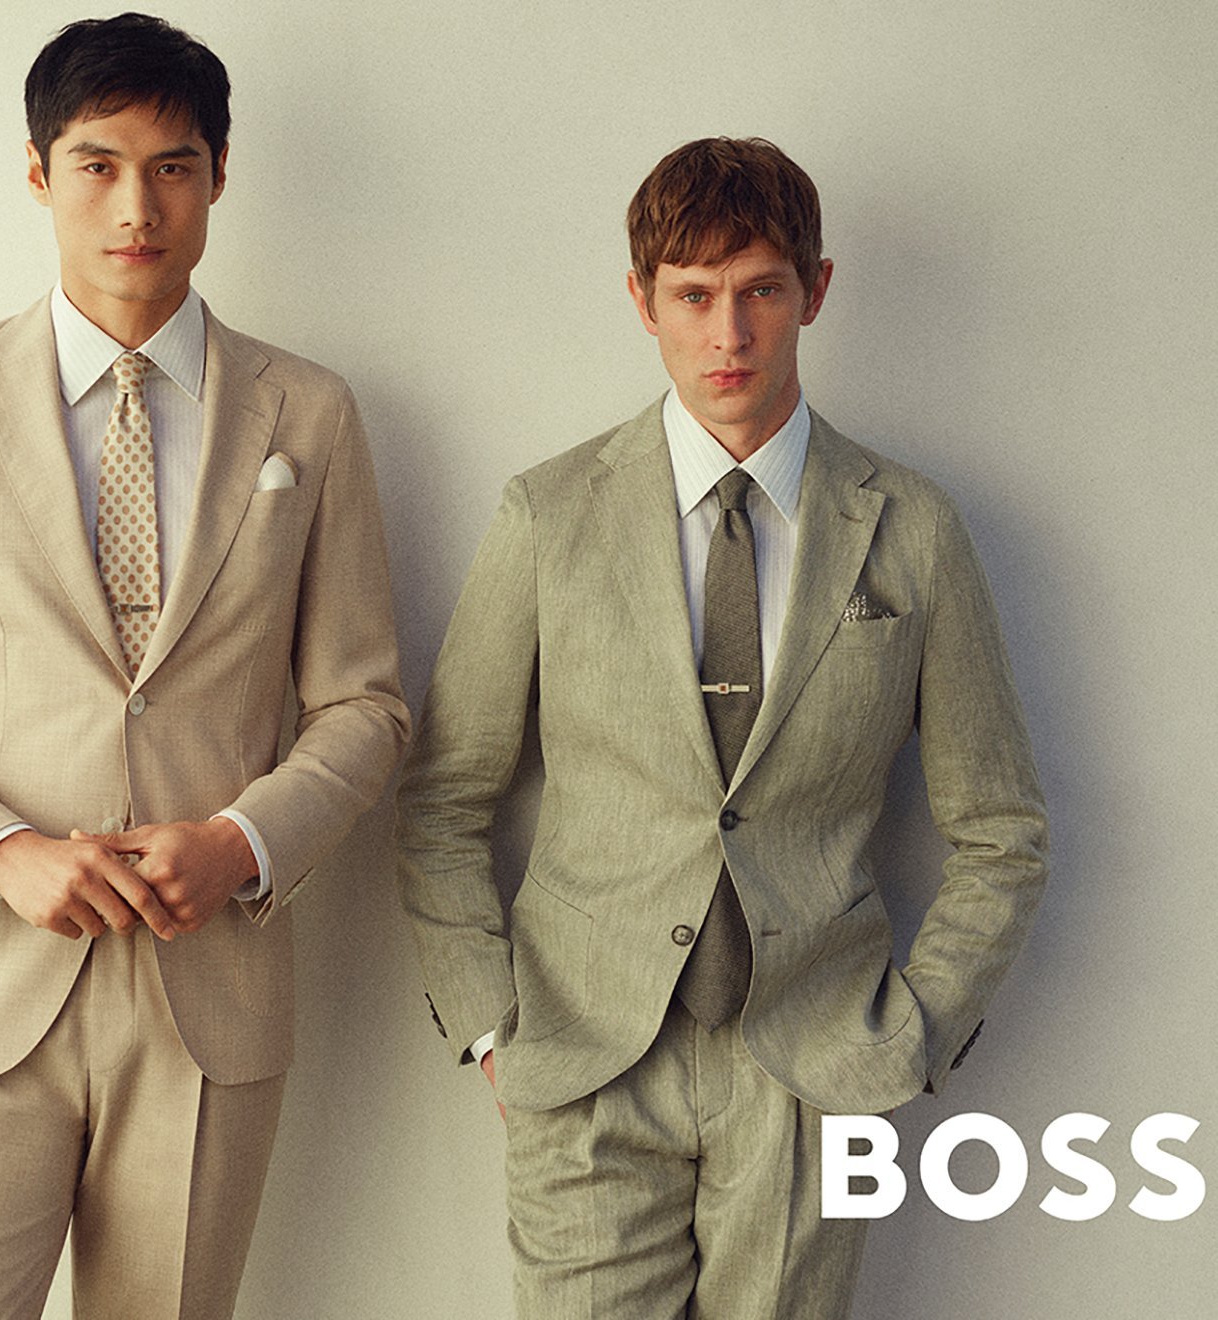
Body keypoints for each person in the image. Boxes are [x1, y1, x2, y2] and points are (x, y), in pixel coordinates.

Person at [396, 136, 1048, 1318]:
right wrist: (493, 1025)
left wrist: (911, 1032)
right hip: (586, 1057)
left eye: (761, 292)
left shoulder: (911, 528)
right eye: (694, 296)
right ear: (642, 301)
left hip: (812, 1066)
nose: (730, 335)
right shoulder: (549, 515)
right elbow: (445, 798)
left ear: (816, 290)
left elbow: (1000, 827)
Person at [0, 13, 409, 1318]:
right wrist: (0, 850)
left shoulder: (310, 414)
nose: (138, 206)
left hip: (208, 991)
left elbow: (363, 705)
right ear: (38, 174)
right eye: (99, 165)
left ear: (219, 176)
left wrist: (243, 841)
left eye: (173, 167)